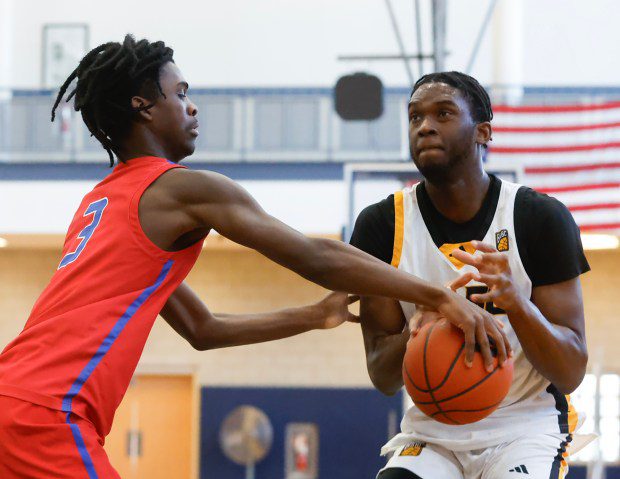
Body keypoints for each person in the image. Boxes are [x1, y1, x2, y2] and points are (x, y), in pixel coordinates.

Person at [0, 38, 508, 479]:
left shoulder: (103, 202)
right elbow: (315, 255)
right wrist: (437, 294)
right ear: (142, 108)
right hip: (47, 412)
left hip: (15, 394)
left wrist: (310, 316)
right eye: (180, 94)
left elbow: (202, 329)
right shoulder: (180, 188)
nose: (193, 107)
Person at [351, 71, 591, 479]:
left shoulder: (538, 218)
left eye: (443, 113)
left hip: (524, 428)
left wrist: (516, 303)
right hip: (433, 432)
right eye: (414, 117)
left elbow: (570, 372)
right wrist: (415, 334)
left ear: (483, 132)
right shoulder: (382, 226)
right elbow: (382, 375)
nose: (424, 126)